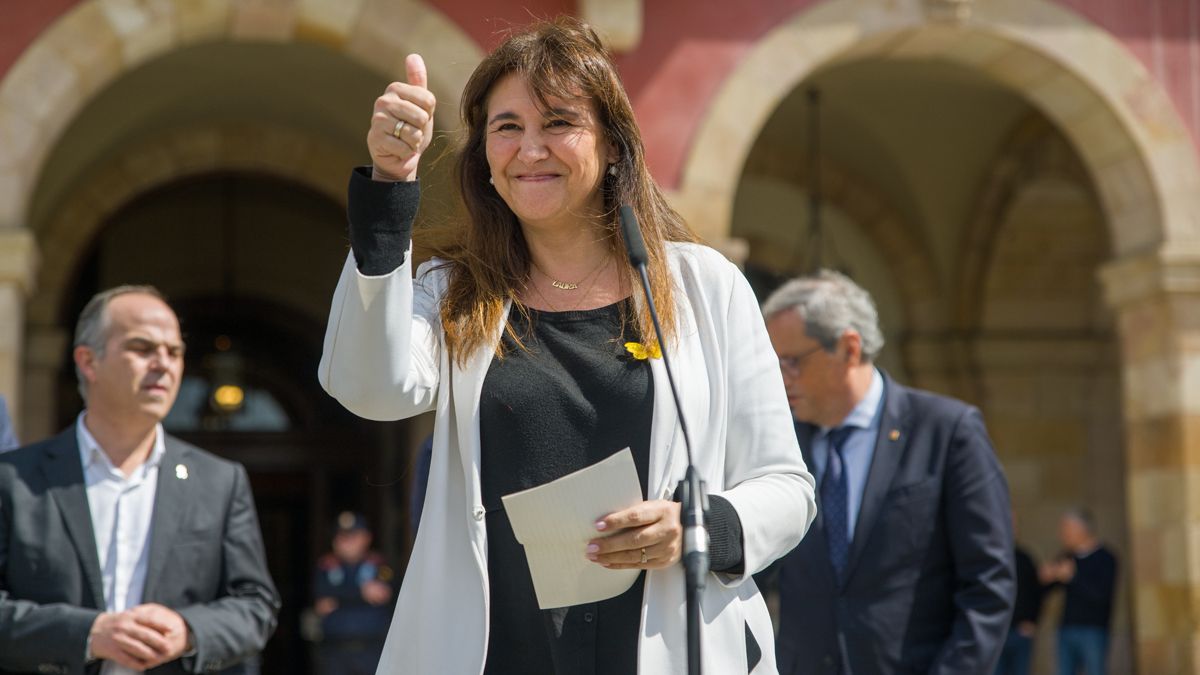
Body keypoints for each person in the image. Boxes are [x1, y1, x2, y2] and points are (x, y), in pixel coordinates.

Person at [318, 17, 816, 675]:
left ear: (612, 145)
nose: (530, 149)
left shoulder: (705, 285)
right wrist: (388, 191)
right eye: (507, 127)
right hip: (497, 651)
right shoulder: (453, 291)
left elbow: (786, 486)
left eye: (558, 123)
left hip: (662, 648)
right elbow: (368, 385)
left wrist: (697, 527)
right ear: (484, 157)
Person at [0, 285, 280, 674]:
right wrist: (88, 633)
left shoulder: (220, 482)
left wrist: (188, 630)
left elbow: (254, 606)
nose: (164, 363)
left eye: (175, 352)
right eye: (143, 348)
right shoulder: (13, 478)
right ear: (88, 362)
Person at [762, 271, 1014, 674]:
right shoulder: (780, 444)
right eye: (771, 364)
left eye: (791, 362)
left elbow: (988, 585)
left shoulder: (946, 431)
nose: (779, 378)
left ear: (849, 348)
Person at [313, 512, 395, 675]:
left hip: (371, 650)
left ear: (366, 538)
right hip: (336, 652)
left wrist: (339, 599)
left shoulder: (379, 566)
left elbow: (383, 595)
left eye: (353, 537)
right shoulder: (326, 567)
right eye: (342, 537)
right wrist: (361, 592)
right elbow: (321, 602)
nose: (347, 543)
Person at [1039, 508, 1117, 675]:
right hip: (1066, 628)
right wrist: (1048, 577)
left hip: (1093, 630)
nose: (1062, 535)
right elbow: (1046, 589)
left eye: (1066, 530)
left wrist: (1073, 577)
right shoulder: (1066, 556)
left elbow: (1101, 595)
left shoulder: (1106, 558)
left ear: (1082, 530)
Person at [995, 513, 1043, 675]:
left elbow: (1037, 593)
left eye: (1013, 525)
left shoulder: (1025, 559)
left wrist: (1033, 621)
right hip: (995, 632)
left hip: (1020, 631)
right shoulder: (987, 559)